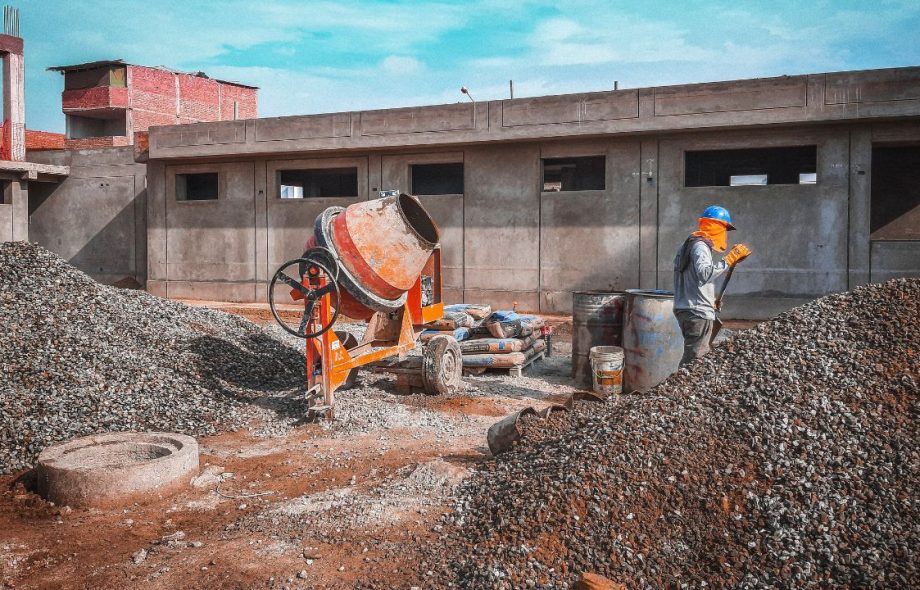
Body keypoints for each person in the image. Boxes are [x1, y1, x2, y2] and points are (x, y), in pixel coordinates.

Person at [673, 205, 751, 367]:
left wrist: (710, 299)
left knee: (696, 356)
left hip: (687, 308)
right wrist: (729, 259)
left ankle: (683, 387)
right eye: (724, 229)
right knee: (694, 362)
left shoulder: (688, 245)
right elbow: (705, 274)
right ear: (717, 227)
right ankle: (681, 390)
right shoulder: (700, 246)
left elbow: (693, 279)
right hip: (697, 313)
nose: (724, 234)